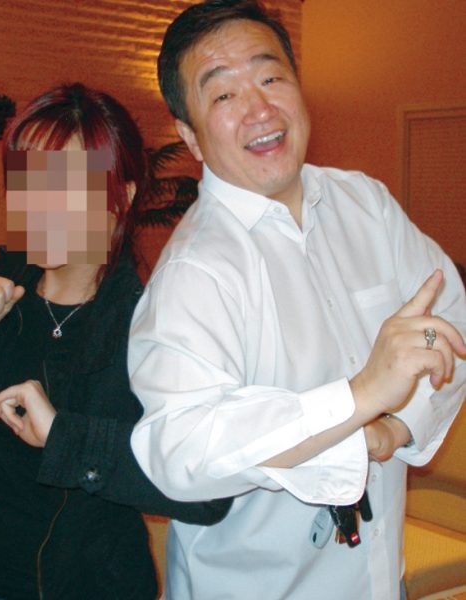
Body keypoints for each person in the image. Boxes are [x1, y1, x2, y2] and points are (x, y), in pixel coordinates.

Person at [128, 2, 466, 599]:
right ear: (191, 137)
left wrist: (394, 428)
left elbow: (451, 320)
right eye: (223, 94)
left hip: (380, 577)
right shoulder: (194, 272)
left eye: (270, 76)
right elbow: (179, 447)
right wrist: (359, 398)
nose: (259, 108)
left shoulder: (365, 203)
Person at [0, 82, 231, 600]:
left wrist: (66, 439)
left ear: (121, 197)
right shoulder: (1, 284)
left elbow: (206, 495)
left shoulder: (151, 327)